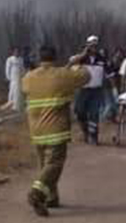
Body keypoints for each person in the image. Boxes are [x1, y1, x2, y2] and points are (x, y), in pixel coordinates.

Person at [22, 42, 92, 217]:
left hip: (36, 130)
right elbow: (85, 76)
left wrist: (67, 66)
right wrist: (77, 63)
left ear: (40, 58)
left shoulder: (28, 78)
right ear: (55, 57)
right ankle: (36, 193)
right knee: (54, 164)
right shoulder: (61, 76)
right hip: (55, 129)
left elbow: (49, 81)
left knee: (44, 166)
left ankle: (51, 198)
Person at [73, 36, 107, 144]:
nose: (94, 48)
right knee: (79, 112)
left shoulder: (102, 59)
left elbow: (109, 73)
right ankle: (85, 131)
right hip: (82, 90)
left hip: (96, 91)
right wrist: (83, 54)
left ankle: (94, 137)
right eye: (91, 45)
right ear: (87, 45)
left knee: (94, 114)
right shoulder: (81, 58)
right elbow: (71, 63)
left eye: (95, 46)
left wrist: (113, 87)